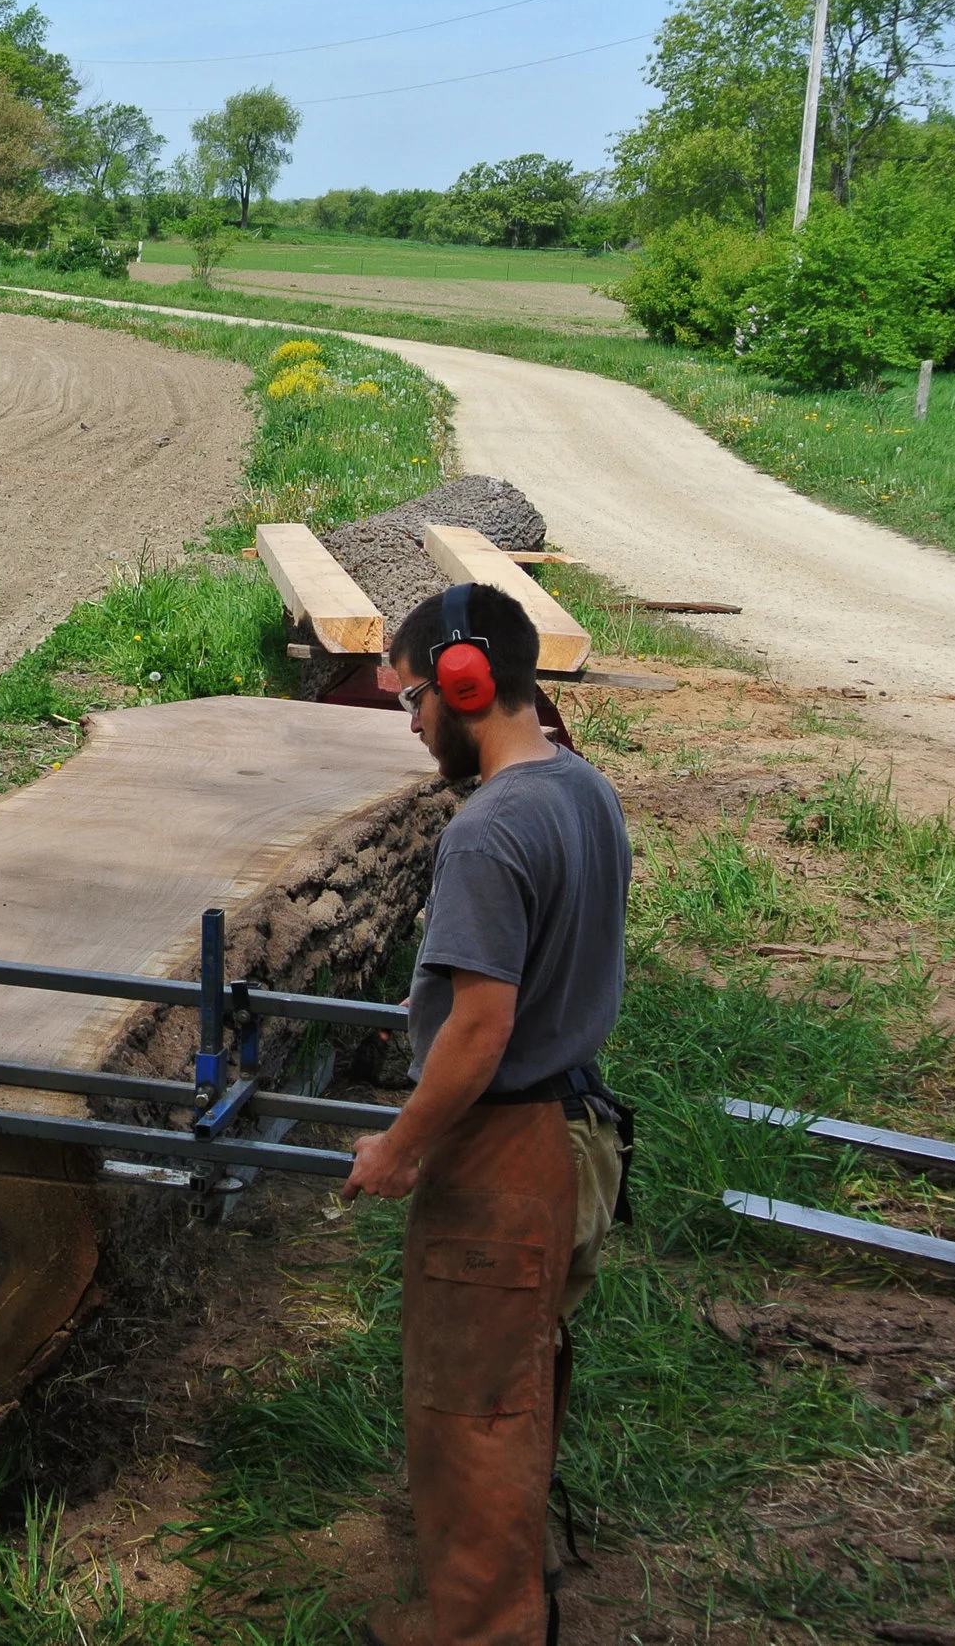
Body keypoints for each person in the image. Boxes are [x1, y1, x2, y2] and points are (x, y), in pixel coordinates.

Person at [342, 583, 632, 1646]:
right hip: (576, 1137)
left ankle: (480, 1630)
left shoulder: (487, 830)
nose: (413, 724)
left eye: (412, 698)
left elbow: (477, 1030)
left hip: (508, 1156)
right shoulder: (583, 790)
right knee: (520, 1376)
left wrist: (401, 1148)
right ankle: (516, 1586)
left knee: (469, 1406)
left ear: (463, 686)